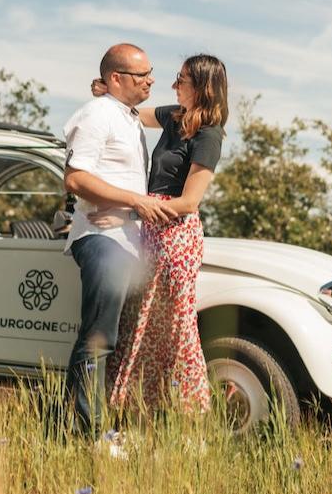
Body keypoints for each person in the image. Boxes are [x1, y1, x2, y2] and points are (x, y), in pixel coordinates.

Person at [89, 54, 228, 414]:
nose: (172, 85)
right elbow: (133, 112)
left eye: (180, 80)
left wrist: (130, 206)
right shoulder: (174, 117)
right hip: (150, 231)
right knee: (140, 323)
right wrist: (107, 91)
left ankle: (189, 412)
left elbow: (188, 203)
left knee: (176, 328)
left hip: (176, 236)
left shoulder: (209, 135)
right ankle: (135, 408)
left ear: (201, 86)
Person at [62, 43, 178, 436]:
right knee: (99, 339)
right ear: (116, 78)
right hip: (101, 239)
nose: (152, 80)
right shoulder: (96, 116)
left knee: (119, 341)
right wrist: (134, 202)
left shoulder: (126, 116)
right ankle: (89, 434)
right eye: (142, 75)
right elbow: (76, 178)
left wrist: (130, 210)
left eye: (151, 72)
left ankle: (94, 424)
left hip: (128, 239)